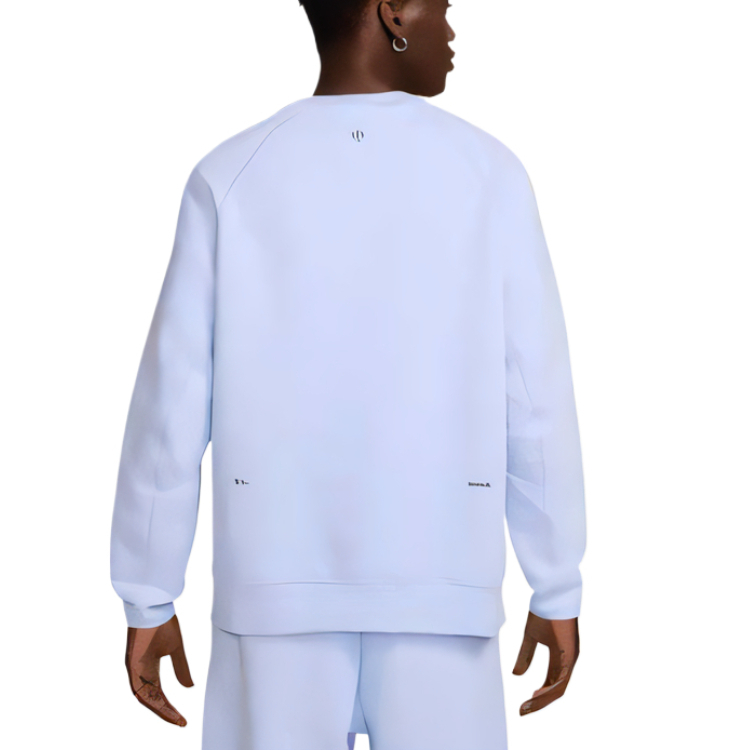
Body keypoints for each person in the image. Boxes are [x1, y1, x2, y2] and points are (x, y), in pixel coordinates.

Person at [110, 1, 587, 748]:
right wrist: (556, 581)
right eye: (441, 4)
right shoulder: (488, 173)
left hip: (273, 595)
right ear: (390, 12)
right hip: (442, 594)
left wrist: (148, 593)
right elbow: (534, 396)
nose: (451, 28)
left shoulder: (230, 175)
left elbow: (172, 405)